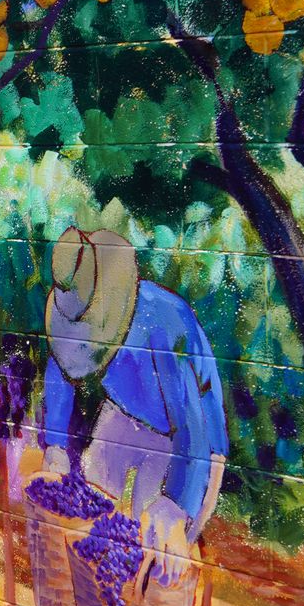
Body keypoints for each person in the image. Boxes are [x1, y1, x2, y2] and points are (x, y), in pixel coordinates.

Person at [39, 226, 228, 585]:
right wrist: (55, 445)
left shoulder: (165, 325)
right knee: (91, 510)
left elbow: (193, 427)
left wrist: (175, 505)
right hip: (126, 414)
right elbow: (60, 365)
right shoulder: (75, 306)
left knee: (156, 548)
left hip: (190, 446)